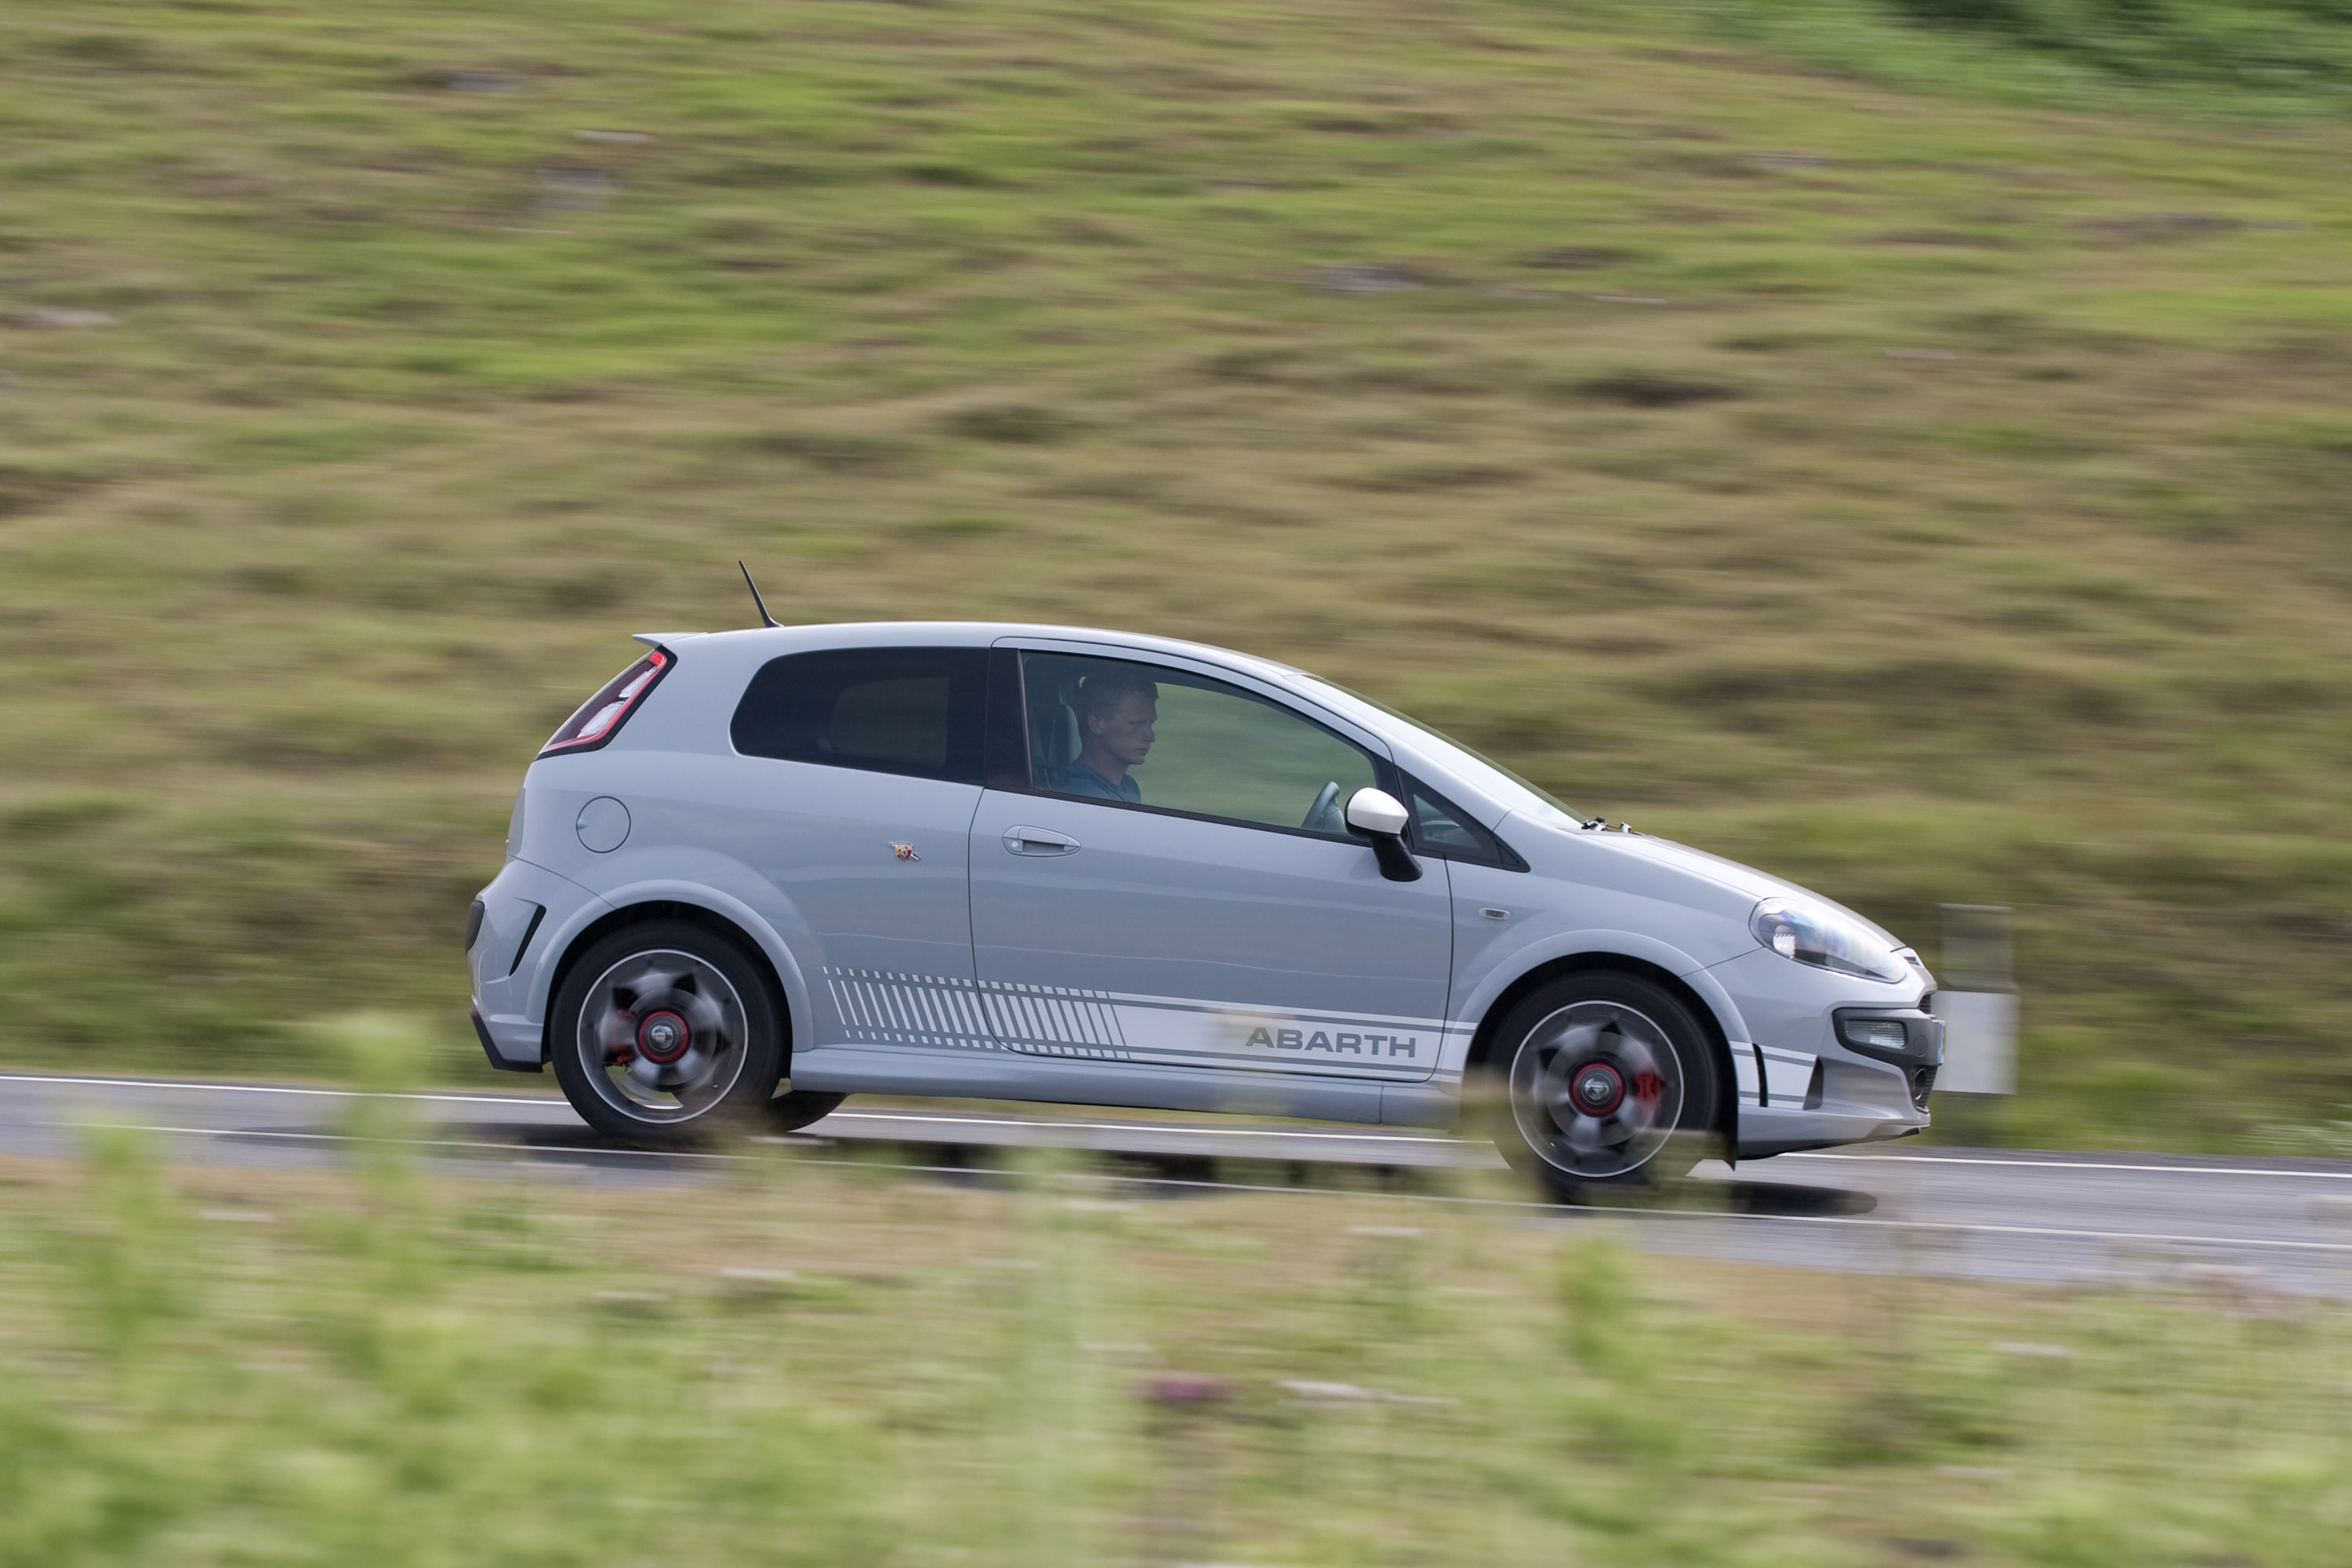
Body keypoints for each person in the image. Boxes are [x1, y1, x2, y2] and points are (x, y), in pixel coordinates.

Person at [1054, 670, 1157, 803]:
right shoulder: (1084, 794)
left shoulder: (1128, 786)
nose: (1151, 737)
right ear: (1097, 723)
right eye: (1137, 724)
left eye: (1151, 723)